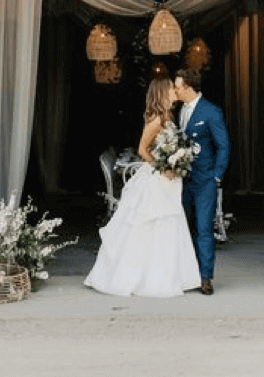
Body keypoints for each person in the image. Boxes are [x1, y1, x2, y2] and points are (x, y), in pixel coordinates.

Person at [84, 75, 201, 297]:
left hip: (170, 179)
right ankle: (145, 277)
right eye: (171, 89)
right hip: (156, 179)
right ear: (161, 92)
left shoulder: (168, 115)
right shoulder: (156, 119)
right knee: (153, 224)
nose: (175, 92)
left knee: (170, 224)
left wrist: (178, 159)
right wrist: (163, 165)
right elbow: (142, 150)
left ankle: (172, 274)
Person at [174, 66, 230, 295]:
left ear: (188, 87)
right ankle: (186, 274)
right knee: (182, 226)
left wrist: (216, 176)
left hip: (205, 180)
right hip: (182, 180)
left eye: (177, 87)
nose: (174, 91)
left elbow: (223, 146)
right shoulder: (181, 111)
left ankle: (206, 277)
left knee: (204, 228)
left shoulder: (211, 111)